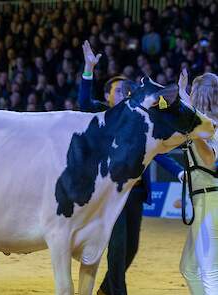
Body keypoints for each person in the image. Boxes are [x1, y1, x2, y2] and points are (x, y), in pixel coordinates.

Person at [79, 40, 184, 295]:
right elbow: (83, 102)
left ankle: (106, 288)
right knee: (117, 249)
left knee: (131, 248)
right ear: (106, 96)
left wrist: (179, 171)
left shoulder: (139, 120)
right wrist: (89, 69)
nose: (125, 93)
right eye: (118, 90)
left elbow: (158, 151)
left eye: (127, 89)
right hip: (111, 194)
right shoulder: (103, 115)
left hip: (135, 194)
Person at [178, 70, 218, 295]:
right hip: (205, 199)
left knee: (209, 272)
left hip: (210, 201)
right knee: (189, 268)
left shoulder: (210, 127)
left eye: (193, 92)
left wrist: (194, 133)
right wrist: (182, 91)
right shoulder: (205, 124)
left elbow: (211, 161)